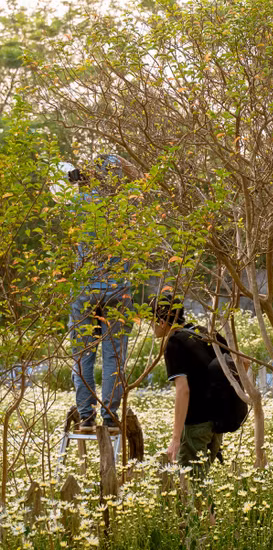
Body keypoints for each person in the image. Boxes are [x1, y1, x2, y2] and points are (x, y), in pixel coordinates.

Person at [69, 155, 140, 434]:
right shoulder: (127, 200)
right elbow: (138, 176)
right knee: (114, 356)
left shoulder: (80, 201)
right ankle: (110, 417)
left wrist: (83, 176)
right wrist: (122, 162)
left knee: (83, 355)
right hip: (117, 291)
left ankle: (86, 417)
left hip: (84, 291)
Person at [151, 293, 230, 476]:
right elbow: (242, 363)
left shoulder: (174, 343)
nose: (151, 326)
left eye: (151, 320)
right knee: (202, 485)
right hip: (217, 425)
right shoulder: (203, 332)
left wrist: (175, 439)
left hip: (195, 426)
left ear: (162, 321)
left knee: (192, 488)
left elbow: (183, 390)